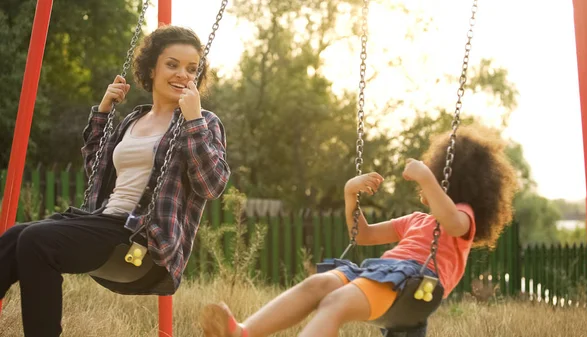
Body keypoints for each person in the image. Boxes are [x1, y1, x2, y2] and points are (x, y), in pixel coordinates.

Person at [0, 25, 230, 337]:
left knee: (37, 241)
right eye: (172, 64)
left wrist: (193, 120)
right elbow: (98, 171)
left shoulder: (204, 122)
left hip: (140, 239)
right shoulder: (134, 119)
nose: (182, 75)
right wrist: (104, 112)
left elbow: (212, 185)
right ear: (152, 68)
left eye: (192, 69)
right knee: (15, 237)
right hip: (103, 221)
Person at [199, 124, 517, 337]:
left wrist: (426, 179)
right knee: (319, 284)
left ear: (450, 181)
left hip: (412, 283)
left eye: (434, 175)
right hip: (379, 273)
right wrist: (350, 195)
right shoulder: (415, 221)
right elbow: (362, 236)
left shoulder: (463, 217)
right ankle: (242, 332)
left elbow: (452, 221)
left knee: (335, 304)